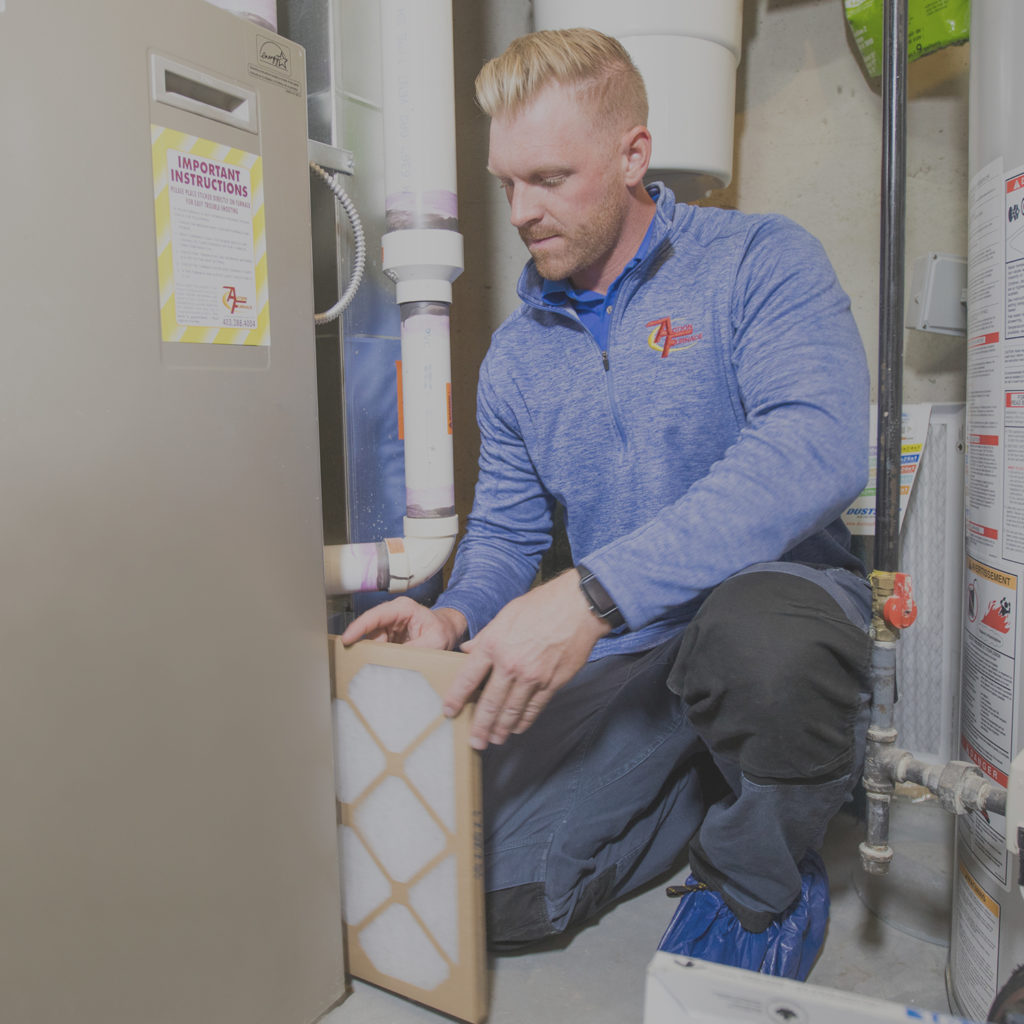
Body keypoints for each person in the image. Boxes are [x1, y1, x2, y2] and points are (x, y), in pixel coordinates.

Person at [341, 27, 873, 975]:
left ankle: (763, 872)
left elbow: (817, 446)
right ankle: (711, 784)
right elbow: (506, 536)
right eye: (507, 183)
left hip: (768, 607)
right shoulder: (517, 355)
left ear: (634, 154)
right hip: (629, 651)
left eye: (549, 177)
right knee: (477, 885)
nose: (521, 210)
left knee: (764, 644)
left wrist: (590, 594)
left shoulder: (757, 262)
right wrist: (454, 615)